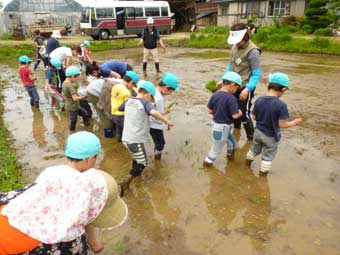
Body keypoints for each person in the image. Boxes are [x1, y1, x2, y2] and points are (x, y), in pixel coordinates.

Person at [0, 131, 128, 254]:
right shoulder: (83, 187)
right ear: (89, 159)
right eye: (96, 157)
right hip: (23, 243)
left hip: (9, 219)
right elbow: (83, 216)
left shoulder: (51, 171)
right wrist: (93, 242)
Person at [118, 81, 174, 196]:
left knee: (136, 157)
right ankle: (127, 180)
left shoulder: (129, 100)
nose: (151, 100)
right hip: (135, 140)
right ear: (148, 94)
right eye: (151, 97)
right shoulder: (144, 103)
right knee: (143, 162)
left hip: (126, 139)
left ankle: (136, 174)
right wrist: (166, 120)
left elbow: (120, 108)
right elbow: (154, 112)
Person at [246, 72, 303, 175]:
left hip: (258, 132)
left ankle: (247, 164)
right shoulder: (281, 105)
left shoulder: (259, 100)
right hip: (271, 136)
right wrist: (294, 122)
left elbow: (254, 117)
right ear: (284, 89)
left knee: (254, 149)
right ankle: (263, 176)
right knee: (267, 156)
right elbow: (282, 124)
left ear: (268, 85)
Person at [225, 22, 262, 141]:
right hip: (232, 85)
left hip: (245, 86)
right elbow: (230, 66)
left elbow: (256, 74)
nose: (236, 43)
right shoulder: (234, 47)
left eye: (238, 40)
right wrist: (224, 80)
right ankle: (236, 130)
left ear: (245, 37)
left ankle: (251, 139)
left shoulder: (253, 52)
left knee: (244, 113)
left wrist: (247, 89)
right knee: (233, 109)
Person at [204, 72, 243, 166]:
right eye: (237, 88)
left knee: (232, 143)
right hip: (223, 127)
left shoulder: (215, 95)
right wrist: (240, 112)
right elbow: (234, 116)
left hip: (215, 125)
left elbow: (209, 111)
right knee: (216, 149)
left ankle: (230, 158)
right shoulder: (231, 98)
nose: (236, 90)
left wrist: (219, 110)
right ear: (233, 85)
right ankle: (207, 164)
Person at [149, 73, 179, 160]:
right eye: (171, 91)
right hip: (154, 125)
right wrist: (165, 112)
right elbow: (155, 114)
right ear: (166, 88)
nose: (171, 93)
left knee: (158, 142)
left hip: (149, 123)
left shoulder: (153, 91)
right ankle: (157, 158)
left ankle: (156, 154)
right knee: (160, 144)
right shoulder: (159, 98)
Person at [111, 71, 139, 142]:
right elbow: (128, 107)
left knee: (119, 129)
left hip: (114, 113)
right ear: (131, 82)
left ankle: (119, 141)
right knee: (127, 132)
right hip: (121, 116)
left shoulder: (115, 86)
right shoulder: (126, 92)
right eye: (133, 85)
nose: (132, 87)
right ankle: (127, 144)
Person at [62, 66, 90, 131]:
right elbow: (75, 98)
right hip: (72, 107)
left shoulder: (64, 83)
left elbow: (63, 94)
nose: (77, 79)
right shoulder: (70, 86)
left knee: (85, 113)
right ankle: (72, 132)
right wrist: (84, 96)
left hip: (73, 105)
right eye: (77, 77)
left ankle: (87, 126)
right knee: (73, 120)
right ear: (72, 76)